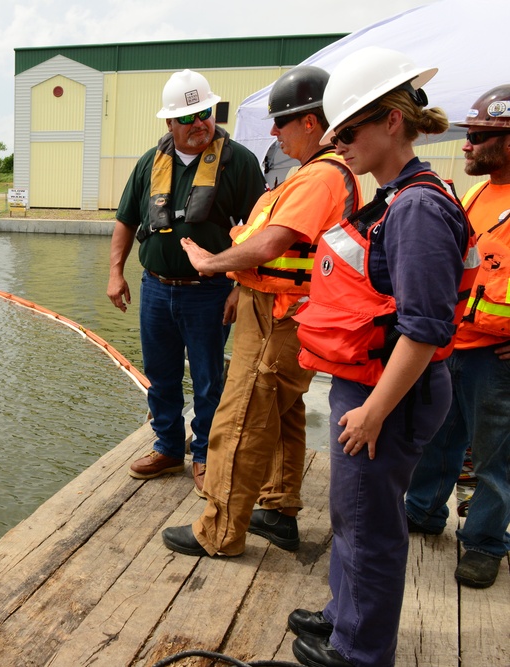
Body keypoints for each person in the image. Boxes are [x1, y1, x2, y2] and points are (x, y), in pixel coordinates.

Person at [283, 47, 477, 667]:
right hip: (369, 383)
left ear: (393, 121)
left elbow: (423, 329)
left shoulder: (417, 208)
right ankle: (345, 614)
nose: (340, 144)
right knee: (354, 512)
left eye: (350, 130)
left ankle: (360, 651)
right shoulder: (397, 195)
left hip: (388, 392)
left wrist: (373, 412)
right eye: (336, 133)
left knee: (371, 524)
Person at [160, 66, 360, 558]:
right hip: (288, 313)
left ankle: (221, 531)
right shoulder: (321, 174)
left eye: (282, 122)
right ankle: (278, 507)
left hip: (279, 315)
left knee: (241, 417)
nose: (273, 132)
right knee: (283, 413)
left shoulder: (320, 178)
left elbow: (271, 242)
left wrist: (212, 264)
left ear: (311, 123)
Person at [108, 70, 266, 493]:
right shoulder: (148, 163)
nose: (200, 124)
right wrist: (115, 273)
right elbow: (126, 220)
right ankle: (168, 448)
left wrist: (241, 285)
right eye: (189, 117)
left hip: (209, 294)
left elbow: (260, 229)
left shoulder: (239, 162)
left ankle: (204, 455)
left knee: (210, 378)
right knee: (160, 374)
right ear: (169, 124)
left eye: (206, 113)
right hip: (156, 289)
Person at [405, 84, 510, 589]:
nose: (466, 144)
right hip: (456, 343)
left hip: (500, 357)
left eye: (479, 136)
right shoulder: (477, 194)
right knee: (439, 438)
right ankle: (424, 511)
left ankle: (486, 542)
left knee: (496, 454)